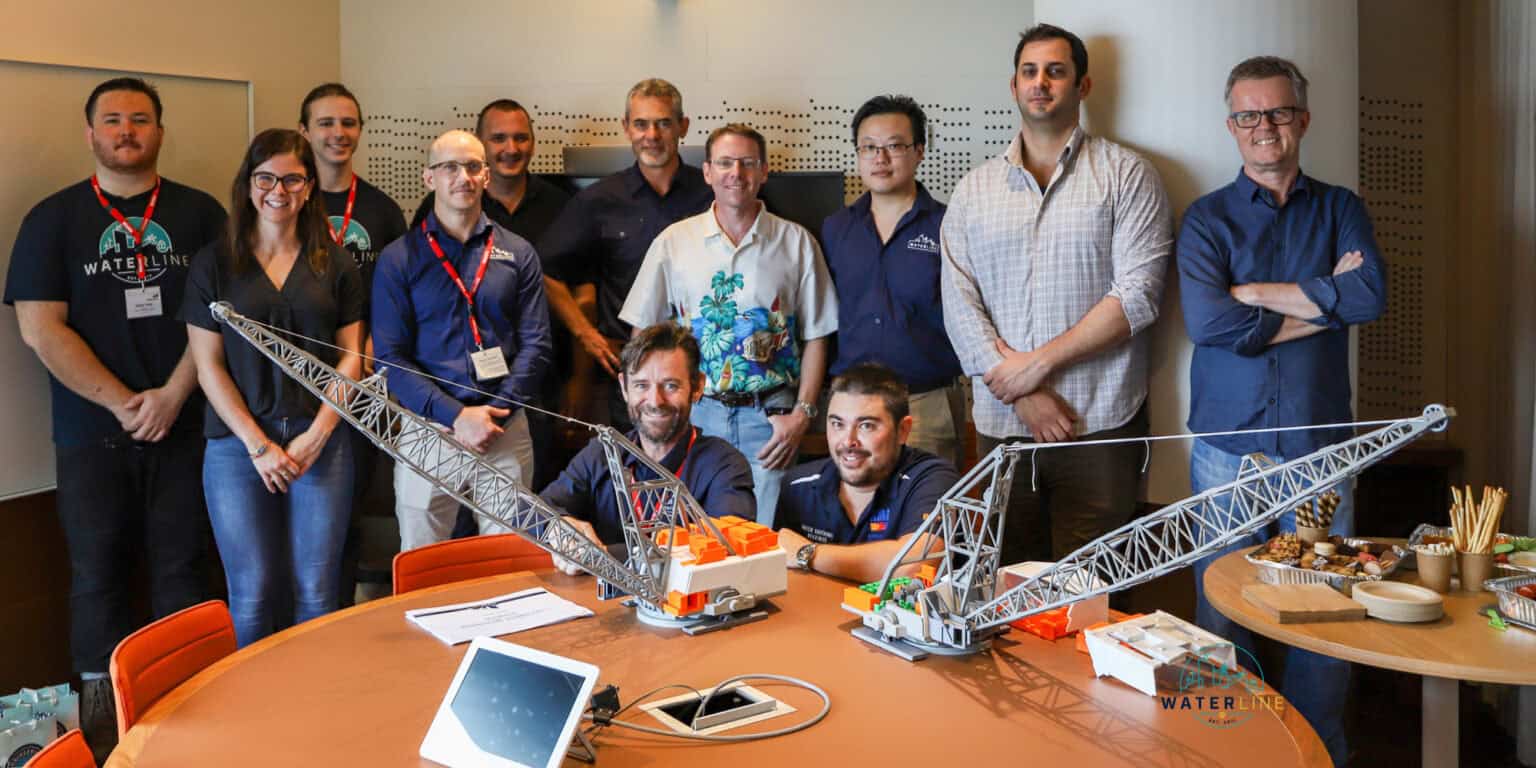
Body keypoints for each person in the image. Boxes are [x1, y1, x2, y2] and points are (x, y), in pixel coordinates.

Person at [3, 77, 224, 756]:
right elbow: (41, 329)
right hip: (90, 436)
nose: (127, 130)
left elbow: (221, 320)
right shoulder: (53, 219)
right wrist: (124, 403)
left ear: (160, 131)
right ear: (90, 133)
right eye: (112, 120)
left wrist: (171, 396)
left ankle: (196, 718)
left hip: (186, 429)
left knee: (184, 570)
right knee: (96, 573)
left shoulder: (204, 215)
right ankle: (107, 734)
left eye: (140, 119)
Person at [1180, 56, 1386, 766]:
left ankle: (1320, 755)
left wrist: (1256, 293)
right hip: (1226, 446)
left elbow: (1371, 299)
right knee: (1221, 610)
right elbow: (1209, 326)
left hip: (1319, 446)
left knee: (1324, 610)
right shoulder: (1206, 219)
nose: (1263, 127)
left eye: (1276, 112)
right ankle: (1223, 751)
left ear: (1302, 118)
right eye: (1248, 115)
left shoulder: (1341, 208)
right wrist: (1322, 302)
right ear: (1231, 126)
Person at [941, 23, 1171, 566]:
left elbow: (1138, 295)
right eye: (1030, 71)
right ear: (1014, 85)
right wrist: (1021, 392)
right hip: (1003, 431)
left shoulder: (1128, 175)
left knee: (1094, 593)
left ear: (1083, 86)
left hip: (1101, 426)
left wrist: (1035, 366)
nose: (1040, 82)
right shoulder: (973, 190)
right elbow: (958, 302)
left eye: (1056, 71)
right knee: (1005, 592)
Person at [182, 128, 364, 648]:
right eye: (266, 178)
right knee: (253, 592)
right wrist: (258, 445)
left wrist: (318, 435)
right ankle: (253, 715)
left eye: (291, 179)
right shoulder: (214, 264)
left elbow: (352, 359)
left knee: (317, 591)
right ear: (248, 183)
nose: (277, 190)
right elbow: (207, 364)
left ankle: (316, 709)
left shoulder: (336, 262)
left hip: (320, 442)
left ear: (308, 188)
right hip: (237, 448)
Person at [620, 123, 837, 526]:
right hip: (693, 419)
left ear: (764, 171)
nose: (735, 173)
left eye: (747, 163)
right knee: (690, 538)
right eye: (724, 163)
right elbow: (643, 335)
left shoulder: (796, 242)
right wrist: (647, 406)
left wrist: (803, 415)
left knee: (767, 540)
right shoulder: (674, 242)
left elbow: (818, 334)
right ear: (707, 172)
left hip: (770, 423)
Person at [373, 129, 552, 550]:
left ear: (486, 177)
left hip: (503, 428)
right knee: (422, 562)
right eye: (449, 167)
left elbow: (537, 345)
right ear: (429, 178)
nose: (463, 177)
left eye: (473, 167)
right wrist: (455, 416)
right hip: (429, 428)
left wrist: (496, 413)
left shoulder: (518, 252)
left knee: (509, 562)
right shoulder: (399, 258)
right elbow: (390, 358)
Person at [538, 78, 714, 429]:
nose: (652, 134)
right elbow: (544, 269)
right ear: (626, 128)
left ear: (683, 127)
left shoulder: (711, 192)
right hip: (632, 370)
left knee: (704, 472)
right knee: (637, 475)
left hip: (705, 370)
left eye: (664, 123)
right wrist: (586, 334)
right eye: (641, 124)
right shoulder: (599, 199)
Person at [297, 81, 408, 604]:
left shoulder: (383, 211)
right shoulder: (286, 201)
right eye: (325, 123)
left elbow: (391, 299)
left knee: (354, 513)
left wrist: (361, 362)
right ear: (304, 132)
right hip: (297, 383)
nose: (338, 134)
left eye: (347, 124)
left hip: (365, 386)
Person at [539, 323, 755, 573]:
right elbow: (532, 508)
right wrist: (560, 527)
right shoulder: (602, 452)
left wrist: (601, 555)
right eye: (641, 385)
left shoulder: (725, 465)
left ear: (697, 387)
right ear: (624, 388)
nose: (655, 401)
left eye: (671, 386)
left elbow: (725, 545)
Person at [822, 95, 965, 467]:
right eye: (868, 147)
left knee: (926, 520)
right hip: (851, 408)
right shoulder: (836, 228)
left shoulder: (949, 225)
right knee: (855, 520)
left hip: (925, 405)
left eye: (894, 146)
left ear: (919, 151)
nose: (879, 158)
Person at [776, 363, 959, 584]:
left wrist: (807, 553)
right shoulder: (798, 484)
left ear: (903, 431)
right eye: (837, 424)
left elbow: (914, 567)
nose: (848, 441)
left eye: (866, 426)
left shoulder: (932, 477)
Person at [411, 99, 571, 244]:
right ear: (478, 145)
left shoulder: (562, 205)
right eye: (499, 139)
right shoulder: (443, 201)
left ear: (533, 145)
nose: (512, 149)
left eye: (521, 138)